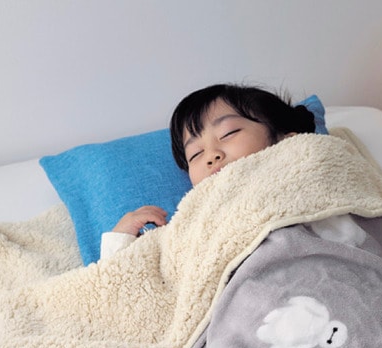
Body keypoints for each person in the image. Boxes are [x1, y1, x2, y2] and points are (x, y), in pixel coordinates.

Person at [103, 84, 317, 255]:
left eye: (228, 133)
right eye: (196, 154)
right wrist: (121, 240)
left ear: (285, 139)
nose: (211, 155)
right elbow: (128, 284)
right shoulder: (191, 228)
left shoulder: (314, 175)